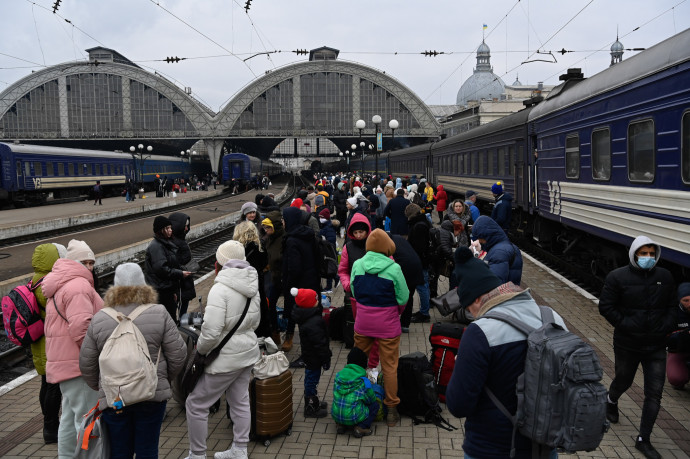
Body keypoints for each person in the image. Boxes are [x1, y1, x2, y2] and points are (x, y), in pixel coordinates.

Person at [446, 246, 563, 458]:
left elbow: (458, 404)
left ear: (477, 299)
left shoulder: (480, 332)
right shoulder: (552, 318)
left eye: (468, 309)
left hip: (492, 448)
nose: (472, 316)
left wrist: (462, 364)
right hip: (545, 446)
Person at [79, 263, 186, 459]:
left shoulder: (99, 319)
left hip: (115, 399)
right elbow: (178, 354)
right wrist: (160, 378)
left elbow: (87, 364)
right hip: (151, 395)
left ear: (115, 286)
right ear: (143, 284)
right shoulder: (159, 312)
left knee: (119, 451)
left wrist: (105, 386)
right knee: (147, 450)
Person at [599, 235, 676, 459]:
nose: (648, 258)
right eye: (644, 254)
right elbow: (606, 306)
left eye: (652, 254)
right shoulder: (617, 277)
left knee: (655, 393)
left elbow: (672, 306)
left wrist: (666, 326)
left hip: (656, 346)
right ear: (634, 254)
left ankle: (644, 438)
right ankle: (610, 400)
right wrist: (626, 324)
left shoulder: (665, 276)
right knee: (624, 379)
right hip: (627, 343)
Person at [185, 241, 261, 459]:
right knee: (240, 401)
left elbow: (211, 332)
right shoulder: (252, 286)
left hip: (225, 358)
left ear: (221, 262)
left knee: (196, 403)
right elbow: (255, 323)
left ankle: (197, 454)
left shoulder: (220, 289)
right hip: (246, 353)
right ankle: (239, 449)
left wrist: (201, 350)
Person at [42, 239, 104, 459]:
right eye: (84, 262)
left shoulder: (61, 284)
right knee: (88, 421)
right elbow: (81, 328)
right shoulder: (78, 286)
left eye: (91, 262)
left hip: (65, 364)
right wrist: (94, 358)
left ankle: (67, 456)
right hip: (79, 365)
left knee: (70, 417)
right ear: (73, 262)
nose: (89, 267)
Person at [351, 229, 409, 427]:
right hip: (388, 326)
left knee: (358, 362)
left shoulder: (358, 265)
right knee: (390, 366)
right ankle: (391, 409)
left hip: (363, 322)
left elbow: (354, 291)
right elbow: (403, 297)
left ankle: (354, 400)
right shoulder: (394, 268)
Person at [30, 243, 62, 444]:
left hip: (39, 340)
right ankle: (50, 428)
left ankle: (49, 425)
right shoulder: (46, 283)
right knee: (52, 387)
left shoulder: (34, 279)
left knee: (45, 383)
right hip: (48, 342)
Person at [281, 206, 321, 353]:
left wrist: (288, 285)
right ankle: (313, 343)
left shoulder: (292, 240)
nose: (282, 222)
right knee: (310, 316)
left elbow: (294, 268)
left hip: (298, 287)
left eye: (284, 219)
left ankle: (305, 350)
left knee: (296, 314)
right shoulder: (308, 235)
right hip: (311, 281)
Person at [290, 288, 332, 418]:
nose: (318, 300)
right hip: (314, 357)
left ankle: (314, 400)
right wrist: (326, 358)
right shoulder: (314, 322)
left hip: (310, 355)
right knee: (311, 380)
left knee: (311, 379)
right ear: (309, 303)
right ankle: (311, 406)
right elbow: (320, 343)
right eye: (316, 299)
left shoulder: (307, 317)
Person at [145, 216, 192, 321]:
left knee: (170, 318)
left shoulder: (164, 244)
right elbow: (161, 269)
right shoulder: (156, 246)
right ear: (160, 230)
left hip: (167, 290)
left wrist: (173, 292)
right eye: (167, 228)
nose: (170, 230)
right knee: (168, 320)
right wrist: (180, 273)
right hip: (161, 291)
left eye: (170, 227)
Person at [332, 347, 381, 438]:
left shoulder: (338, 376)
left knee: (342, 401)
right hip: (354, 417)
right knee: (375, 405)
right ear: (363, 365)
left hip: (336, 415)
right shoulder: (363, 381)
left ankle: (340, 425)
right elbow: (371, 399)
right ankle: (361, 427)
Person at [233, 220, 270, 338]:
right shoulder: (260, 247)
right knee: (260, 309)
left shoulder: (236, 249)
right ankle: (262, 336)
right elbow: (265, 264)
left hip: (240, 284)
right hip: (257, 282)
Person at [470, 215, 523, 285]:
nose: (479, 241)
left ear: (487, 235)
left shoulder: (499, 252)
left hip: (501, 295)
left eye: (480, 237)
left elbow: (494, 283)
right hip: (509, 292)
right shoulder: (503, 247)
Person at [390, 235, 424, 334]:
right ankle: (405, 324)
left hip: (405, 269)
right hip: (416, 267)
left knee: (399, 296)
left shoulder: (387, 243)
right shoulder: (399, 239)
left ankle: (395, 323)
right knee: (409, 296)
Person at [405, 203, 433, 323]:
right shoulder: (422, 222)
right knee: (423, 286)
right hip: (422, 260)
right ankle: (423, 310)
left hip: (420, 261)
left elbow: (419, 247)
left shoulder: (419, 226)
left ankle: (424, 313)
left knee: (422, 286)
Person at [263, 211, 285, 347]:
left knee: (290, 308)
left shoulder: (284, 239)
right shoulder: (268, 239)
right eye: (265, 228)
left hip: (284, 279)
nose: (266, 230)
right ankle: (275, 333)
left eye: (269, 227)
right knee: (270, 306)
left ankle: (289, 334)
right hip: (274, 279)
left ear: (276, 226)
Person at [169, 212, 196, 318]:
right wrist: (182, 269)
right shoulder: (174, 243)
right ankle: (178, 327)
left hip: (184, 280)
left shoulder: (180, 239)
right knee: (177, 306)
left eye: (187, 226)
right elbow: (173, 262)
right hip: (180, 281)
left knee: (183, 304)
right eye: (184, 226)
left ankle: (181, 326)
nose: (186, 228)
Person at [667, 283, 690, 389]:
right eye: (686, 301)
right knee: (676, 378)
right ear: (679, 300)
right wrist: (684, 334)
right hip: (677, 350)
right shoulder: (672, 313)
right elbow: (666, 338)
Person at [318, 208, 338, 293]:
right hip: (328, 249)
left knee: (328, 268)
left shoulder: (328, 227)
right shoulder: (327, 225)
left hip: (328, 250)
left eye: (321, 217)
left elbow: (331, 240)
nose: (320, 219)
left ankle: (329, 287)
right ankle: (335, 280)